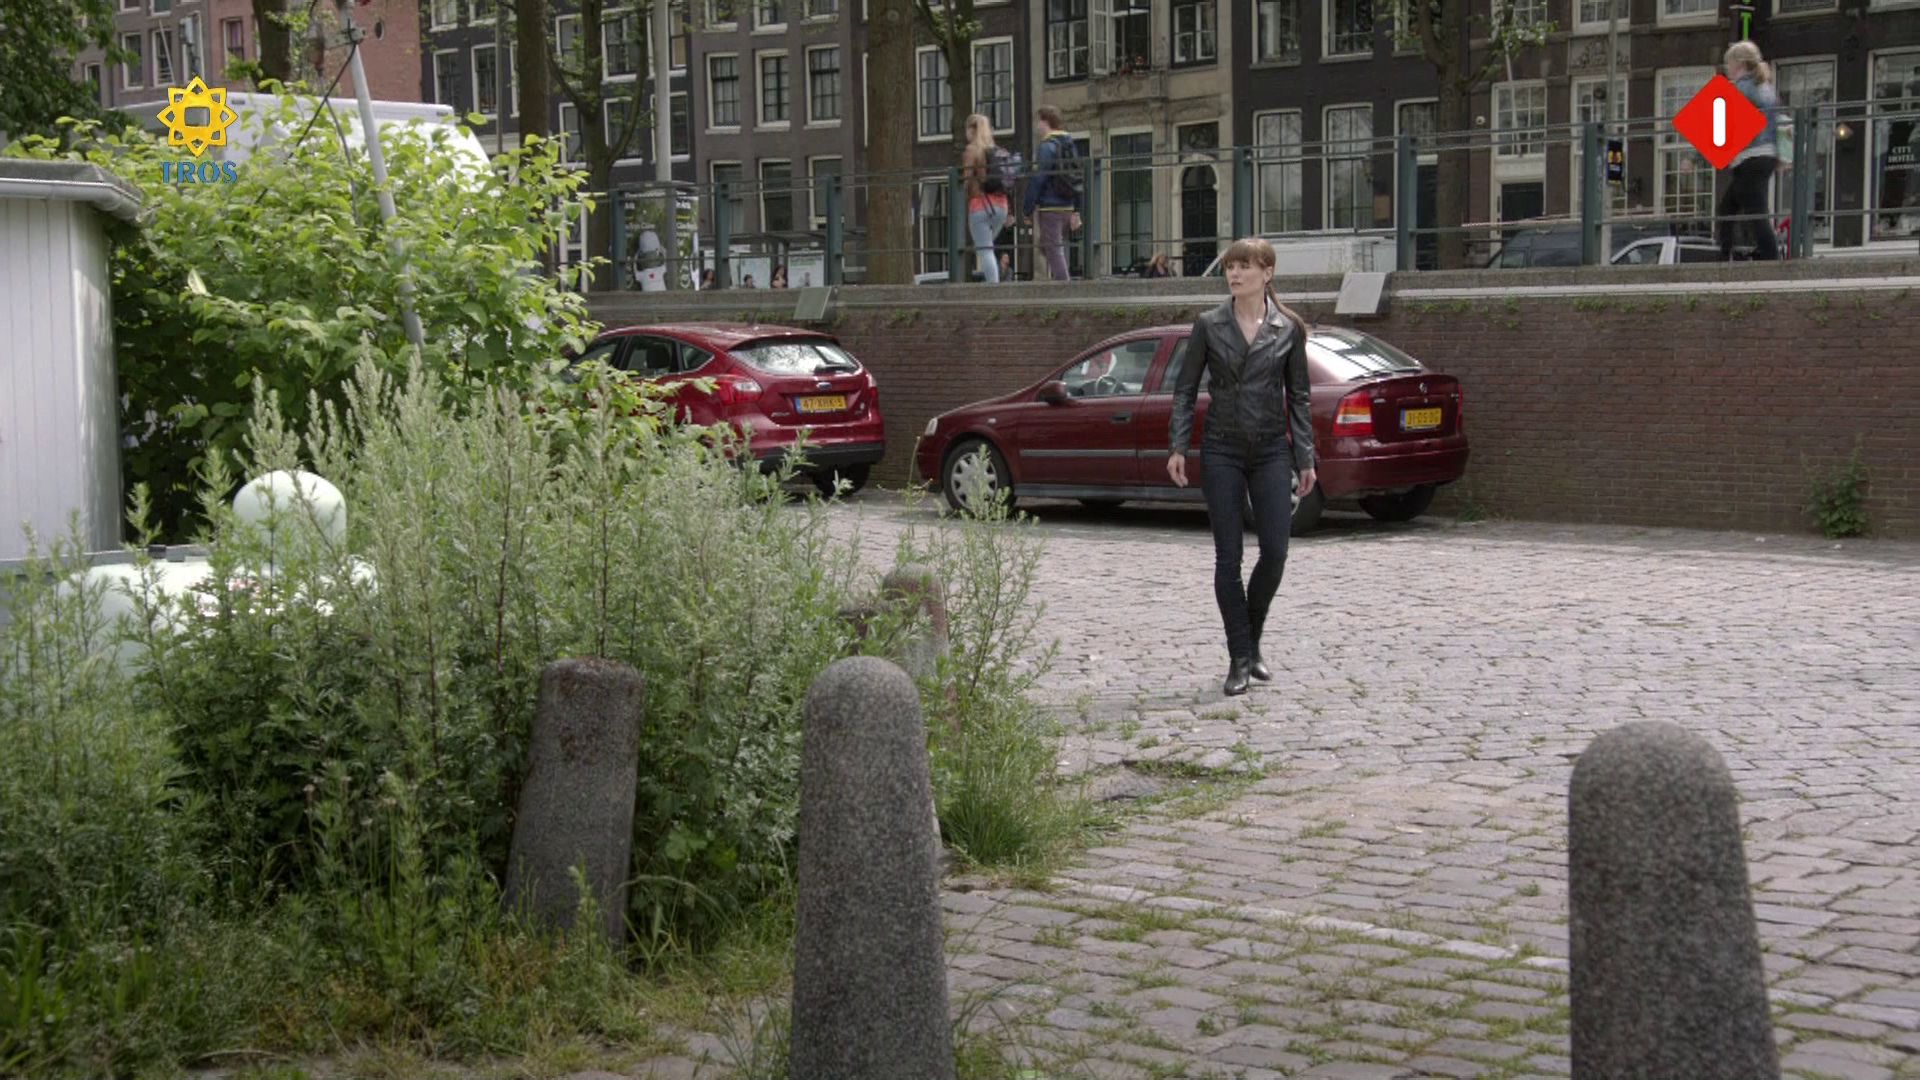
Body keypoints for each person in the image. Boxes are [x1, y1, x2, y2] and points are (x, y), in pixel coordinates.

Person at [1165, 237, 1316, 697]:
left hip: (1271, 449)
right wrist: (1178, 446)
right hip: (1222, 450)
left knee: (1275, 552)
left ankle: (1253, 640)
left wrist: (1305, 456)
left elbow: (1300, 396)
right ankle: (1239, 657)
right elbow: (1185, 390)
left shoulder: (1288, 329)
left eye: (1244, 266)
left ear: (1267, 273)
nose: (1234, 274)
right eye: (1230, 267)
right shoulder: (1208, 325)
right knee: (1228, 558)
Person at [1719, 41, 1782, 261]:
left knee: (1755, 213)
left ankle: (1770, 258)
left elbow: (1719, 129)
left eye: (1728, 63)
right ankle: (1726, 254)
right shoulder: (1765, 87)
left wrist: (1695, 158)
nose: (1727, 68)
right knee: (1728, 208)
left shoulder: (1740, 88)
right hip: (1765, 156)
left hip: (1749, 158)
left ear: (1739, 63)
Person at [1022, 105, 1083, 282]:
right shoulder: (1069, 144)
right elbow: (1077, 177)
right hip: (1067, 206)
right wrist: (1077, 209)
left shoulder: (1047, 147)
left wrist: (1027, 208)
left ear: (1045, 122)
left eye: (1038, 122)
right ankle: (1060, 282)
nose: (1037, 126)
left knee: (1053, 249)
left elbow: (1038, 178)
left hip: (1050, 207)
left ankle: (1064, 289)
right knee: (1047, 244)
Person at [962, 113, 1013, 283]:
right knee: (988, 247)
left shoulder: (972, 150)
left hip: (981, 205)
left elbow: (966, 178)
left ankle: (994, 289)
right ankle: (993, 282)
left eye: (966, 129)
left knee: (985, 250)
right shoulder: (998, 151)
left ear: (972, 130)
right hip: (1001, 206)